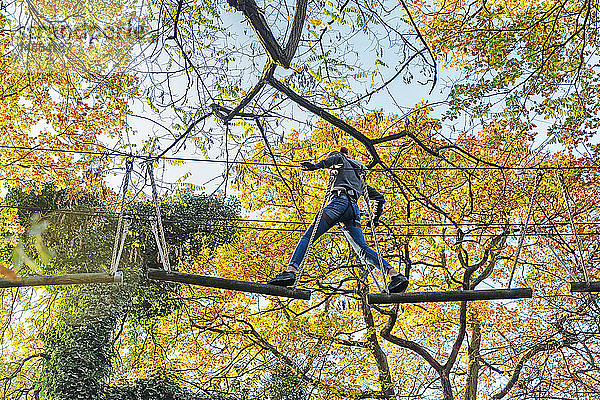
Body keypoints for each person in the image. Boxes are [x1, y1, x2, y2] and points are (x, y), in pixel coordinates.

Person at [267, 147, 409, 293]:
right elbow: (380, 198)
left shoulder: (341, 160)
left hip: (339, 203)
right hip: (353, 210)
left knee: (308, 237)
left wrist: (316, 166)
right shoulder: (360, 180)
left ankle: (290, 271)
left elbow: (335, 159)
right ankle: (394, 275)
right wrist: (375, 217)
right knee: (362, 250)